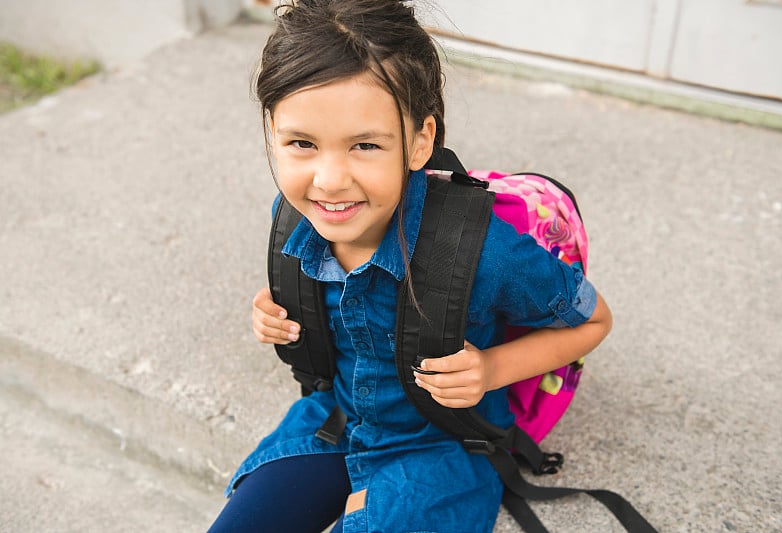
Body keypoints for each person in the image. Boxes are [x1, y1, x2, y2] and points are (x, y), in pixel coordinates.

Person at [208, 1, 612, 531]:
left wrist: (491, 371)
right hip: (336, 420)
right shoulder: (296, 220)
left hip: (441, 443)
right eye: (302, 143)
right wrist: (275, 309)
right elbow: (319, 298)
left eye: (365, 145)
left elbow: (594, 320)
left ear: (421, 140)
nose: (329, 181)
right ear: (272, 131)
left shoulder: (485, 251)